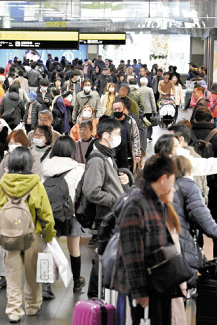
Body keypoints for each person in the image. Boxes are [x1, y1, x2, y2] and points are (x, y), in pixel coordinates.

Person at [112, 155, 179, 324]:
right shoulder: (136, 204)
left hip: (158, 283)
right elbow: (131, 252)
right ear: (163, 179)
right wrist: (140, 292)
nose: (175, 187)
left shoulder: (154, 201)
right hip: (146, 286)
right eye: (173, 179)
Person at [0, 146, 56, 323]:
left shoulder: (3, 183)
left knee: (12, 274)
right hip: (32, 235)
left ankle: (14, 311)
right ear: (29, 163)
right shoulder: (36, 184)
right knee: (32, 274)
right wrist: (49, 235)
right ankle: (32, 305)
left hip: (10, 235)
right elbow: (46, 213)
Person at [84, 118, 131, 297]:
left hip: (113, 212)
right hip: (106, 215)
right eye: (117, 135)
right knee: (103, 256)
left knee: (106, 255)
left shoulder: (107, 154)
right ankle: (95, 295)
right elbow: (92, 191)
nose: (119, 138)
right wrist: (115, 200)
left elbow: (108, 180)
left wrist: (124, 179)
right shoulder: (97, 158)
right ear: (106, 135)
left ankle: (101, 294)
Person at [172, 155, 217, 287]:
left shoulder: (164, 185)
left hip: (165, 246)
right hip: (182, 241)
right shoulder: (189, 186)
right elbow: (201, 216)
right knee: (181, 289)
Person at [42, 137, 87, 293]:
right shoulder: (78, 169)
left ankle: (46, 286)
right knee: (74, 246)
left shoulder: (45, 166)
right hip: (70, 212)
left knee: (49, 246)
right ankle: (76, 281)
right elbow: (82, 192)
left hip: (49, 211)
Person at [191, 108, 217, 257]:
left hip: (193, 187)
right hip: (215, 186)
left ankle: (198, 254)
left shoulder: (189, 135)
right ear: (211, 120)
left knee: (195, 220)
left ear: (195, 120)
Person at [112, 98, 141, 172]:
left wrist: (137, 154)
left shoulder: (130, 121)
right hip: (114, 156)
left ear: (123, 108)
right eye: (115, 109)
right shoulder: (110, 122)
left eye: (119, 108)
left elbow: (136, 137)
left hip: (128, 156)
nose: (117, 111)